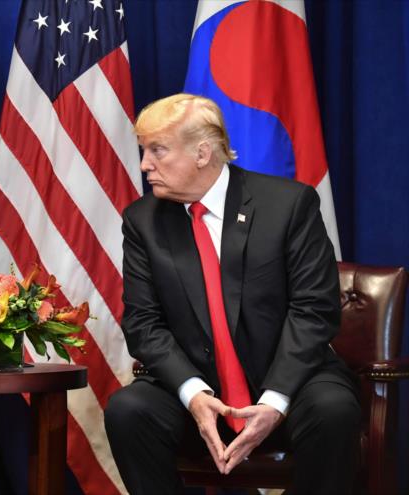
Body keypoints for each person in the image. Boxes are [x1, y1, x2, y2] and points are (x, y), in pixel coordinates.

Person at [104, 94, 360, 493]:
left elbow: (314, 310)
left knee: (333, 410)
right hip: (199, 394)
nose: (144, 165)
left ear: (202, 153)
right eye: (144, 151)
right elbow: (142, 323)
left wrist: (274, 401)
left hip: (288, 386)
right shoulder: (143, 221)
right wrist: (194, 394)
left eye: (157, 150)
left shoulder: (288, 205)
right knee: (128, 411)